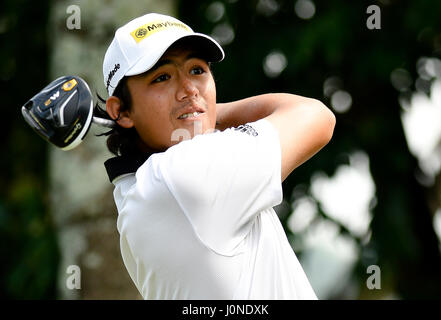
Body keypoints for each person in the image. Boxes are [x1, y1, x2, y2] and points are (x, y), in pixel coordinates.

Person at [97, 12, 335, 300]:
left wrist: (194, 112)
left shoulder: (136, 192)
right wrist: (205, 111)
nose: (189, 89)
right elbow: (315, 116)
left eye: (197, 71)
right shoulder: (186, 173)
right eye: (162, 77)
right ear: (120, 111)